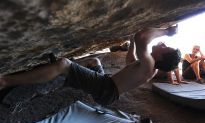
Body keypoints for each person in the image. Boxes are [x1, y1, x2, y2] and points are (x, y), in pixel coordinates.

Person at [0, 26, 181, 106]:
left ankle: (6, 81)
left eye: (165, 47)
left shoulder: (150, 64)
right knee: (94, 62)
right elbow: (130, 62)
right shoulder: (148, 67)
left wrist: (167, 31)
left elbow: (143, 36)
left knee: (64, 64)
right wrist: (132, 41)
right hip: (107, 87)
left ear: (163, 56)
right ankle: (62, 74)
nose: (162, 44)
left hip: (105, 88)